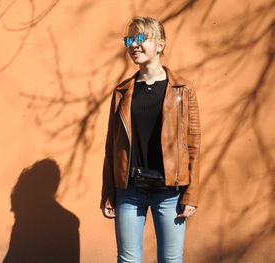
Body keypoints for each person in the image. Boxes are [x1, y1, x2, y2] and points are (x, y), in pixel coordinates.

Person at [100, 16, 201, 263]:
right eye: (129, 40)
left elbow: (194, 145)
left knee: (171, 260)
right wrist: (108, 192)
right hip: (129, 191)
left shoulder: (182, 89)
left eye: (141, 38)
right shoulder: (122, 91)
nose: (134, 45)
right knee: (128, 259)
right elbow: (111, 146)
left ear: (160, 45)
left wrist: (192, 194)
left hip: (170, 193)